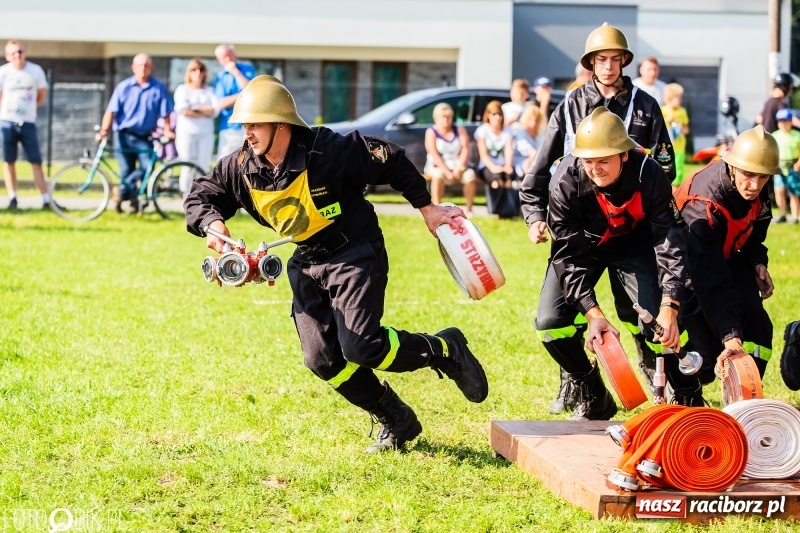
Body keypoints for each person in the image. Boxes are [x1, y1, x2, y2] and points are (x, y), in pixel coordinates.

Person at [183, 75, 489, 454]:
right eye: (244, 125)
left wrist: (427, 208)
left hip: (354, 251)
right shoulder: (241, 166)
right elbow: (201, 195)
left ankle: (445, 349)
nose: (248, 134)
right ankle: (396, 419)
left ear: (282, 124)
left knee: (364, 347)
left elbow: (392, 159)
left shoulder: (330, 151)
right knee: (322, 359)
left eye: (255, 124)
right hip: (306, 261)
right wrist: (213, 226)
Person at [520, 22, 675, 414]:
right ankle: (577, 380)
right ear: (590, 63)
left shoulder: (646, 105)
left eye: (614, 59)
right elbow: (540, 169)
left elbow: (663, 168)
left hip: (632, 231)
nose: (607, 66)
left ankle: (659, 371)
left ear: (625, 61)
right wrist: (535, 214)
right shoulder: (570, 105)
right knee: (555, 317)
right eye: (599, 59)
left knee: (644, 313)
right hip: (580, 228)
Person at [534, 107, 699, 420]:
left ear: (624, 155)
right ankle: (594, 394)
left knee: (657, 323)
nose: (595, 169)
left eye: (604, 160)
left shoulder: (649, 173)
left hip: (634, 245)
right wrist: (593, 314)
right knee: (549, 323)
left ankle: (688, 393)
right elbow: (567, 256)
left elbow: (670, 239)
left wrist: (670, 304)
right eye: (589, 161)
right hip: (585, 248)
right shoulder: (564, 183)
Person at [677, 126, 779, 392]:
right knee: (707, 358)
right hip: (687, 269)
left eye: (763, 177)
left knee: (758, 327)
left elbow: (755, 234)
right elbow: (708, 276)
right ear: (733, 167)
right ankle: (683, 394)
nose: (755, 185)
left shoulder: (757, 187)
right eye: (748, 175)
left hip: (729, 259)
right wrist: (730, 336)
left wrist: (758, 260)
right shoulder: (703, 204)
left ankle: (746, 396)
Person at [98, 53, 173, 214]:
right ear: (133, 67)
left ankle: (120, 193)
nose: (143, 69)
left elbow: (167, 112)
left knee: (147, 167)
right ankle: (133, 203)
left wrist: (167, 130)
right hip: (123, 135)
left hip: (144, 136)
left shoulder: (158, 88)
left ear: (151, 68)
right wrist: (104, 131)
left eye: (146, 65)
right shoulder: (123, 87)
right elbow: (111, 111)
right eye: (139, 65)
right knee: (126, 170)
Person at [0, 40, 50, 210]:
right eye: (13, 53)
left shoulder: (35, 71)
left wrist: (28, 109)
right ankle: (12, 197)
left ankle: (45, 198)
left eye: (20, 52)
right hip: (7, 121)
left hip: (28, 122)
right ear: (7, 56)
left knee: (36, 161)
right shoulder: (3, 72)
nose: (17, 56)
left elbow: (41, 95)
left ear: (25, 52)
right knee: (9, 161)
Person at [173, 58, 219, 195]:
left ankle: (200, 197)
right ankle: (186, 196)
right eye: (194, 70)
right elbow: (184, 110)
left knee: (203, 166)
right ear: (189, 72)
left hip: (205, 134)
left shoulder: (210, 91)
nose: (198, 73)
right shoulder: (182, 89)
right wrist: (204, 110)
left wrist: (196, 108)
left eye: (201, 69)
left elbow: (215, 110)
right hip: (186, 134)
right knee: (187, 166)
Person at [423, 102, 477, 217]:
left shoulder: (459, 129)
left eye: (448, 117)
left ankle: (470, 209)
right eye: (443, 117)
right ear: (436, 118)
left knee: (470, 176)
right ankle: (437, 207)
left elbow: (465, 149)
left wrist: (460, 168)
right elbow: (434, 154)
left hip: (457, 164)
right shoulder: (431, 132)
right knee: (437, 176)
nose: (446, 120)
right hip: (437, 165)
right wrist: (447, 172)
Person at [475, 100, 518, 217]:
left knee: (510, 179)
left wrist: (508, 165)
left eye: (499, 114)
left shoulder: (508, 130)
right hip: (487, 166)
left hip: (504, 164)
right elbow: (483, 154)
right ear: (488, 115)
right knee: (496, 180)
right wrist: (493, 167)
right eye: (494, 114)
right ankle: (496, 210)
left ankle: (509, 210)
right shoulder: (483, 131)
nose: (497, 117)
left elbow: (509, 149)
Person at [213, 44, 256, 159]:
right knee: (226, 165)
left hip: (249, 125)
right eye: (224, 57)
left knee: (249, 162)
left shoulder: (247, 69)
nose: (228, 59)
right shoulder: (220, 77)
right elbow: (221, 103)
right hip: (229, 128)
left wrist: (235, 72)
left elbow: (253, 91)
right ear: (219, 60)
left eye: (229, 55)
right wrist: (244, 94)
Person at [770, 108, 800, 224]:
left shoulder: (797, 135)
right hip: (780, 166)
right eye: (781, 121)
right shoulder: (775, 135)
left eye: (786, 121)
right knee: (779, 191)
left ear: (790, 122)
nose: (783, 124)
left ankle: (795, 215)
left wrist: (798, 163)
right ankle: (782, 214)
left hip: (792, 165)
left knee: (793, 192)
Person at [661, 83, 690, 192]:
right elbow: (658, 126)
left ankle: (675, 194)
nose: (681, 100)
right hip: (665, 148)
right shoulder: (662, 110)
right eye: (678, 98)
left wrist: (682, 129)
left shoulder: (682, 112)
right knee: (664, 171)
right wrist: (667, 120)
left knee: (678, 173)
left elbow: (687, 129)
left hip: (679, 148)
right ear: (669, 98)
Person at [512, 104, 542, 178]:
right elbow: (528, 151)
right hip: (521, 163)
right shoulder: (520, 132)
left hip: (538, 161)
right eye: (531, 120)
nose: (534, 123)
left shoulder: (541, 134)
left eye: (536, 120)